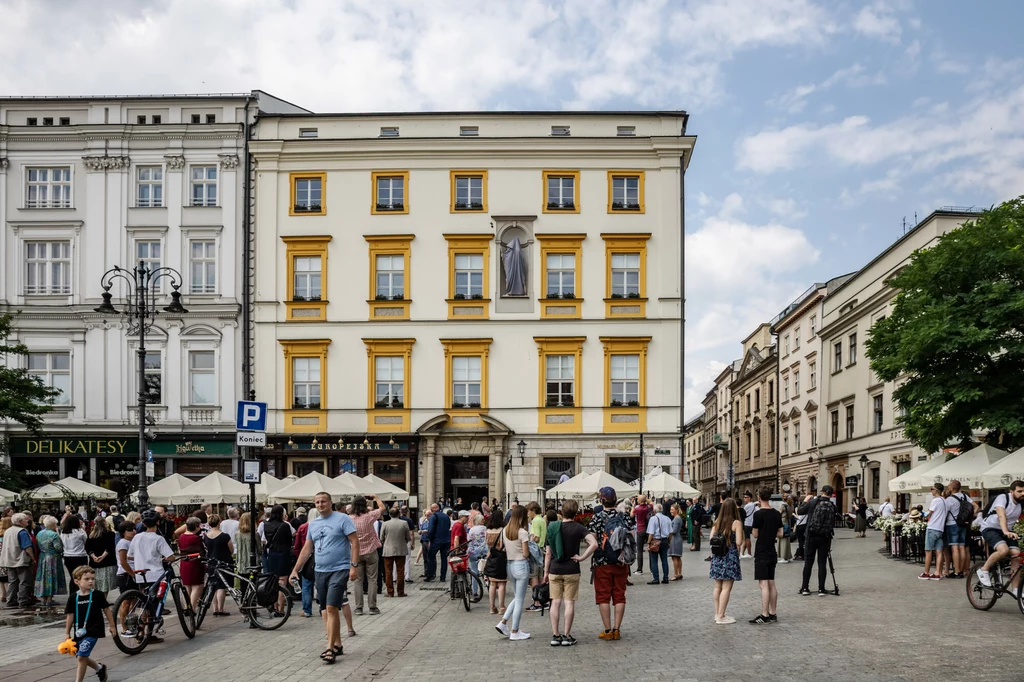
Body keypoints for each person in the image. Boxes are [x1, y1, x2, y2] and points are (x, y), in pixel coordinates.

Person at [290, 491, 359, 665]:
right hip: (320, 570)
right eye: (317, 502)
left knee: (331, 607)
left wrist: (354, 565)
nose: (320, 504)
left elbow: (355, 542)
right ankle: (337, 644)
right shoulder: (313, 524)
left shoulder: (342, 519)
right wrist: (295, 569)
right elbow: (307, 549)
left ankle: (329, 648)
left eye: (323, 501)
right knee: (323, 609)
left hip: (340, 569)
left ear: (330, 502)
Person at [544, 499, 597, 647]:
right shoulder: (578, 528)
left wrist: (546, 572)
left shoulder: (553, 528)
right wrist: (581, 557)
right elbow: (594, 544)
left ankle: (555, 635)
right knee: (569, 602)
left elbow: (548, 554)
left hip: (555, 569)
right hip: (572, 570)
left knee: (555, 602)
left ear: (562, 511)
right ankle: (567, 636)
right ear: (575, 512)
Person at [589, 486, 635, 640]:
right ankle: (617, 629)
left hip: (602, 562)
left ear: (602, 500)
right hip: (621, 561)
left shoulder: (597, 517)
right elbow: (631, 538)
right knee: (619, 595)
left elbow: (591, 539)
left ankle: (607, 630)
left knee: (603, 596)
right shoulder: (624, 516)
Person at [64, 565, 114, 682]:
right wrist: (67, 633)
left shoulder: (98, 595)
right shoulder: (73, 598)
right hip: (79, 632)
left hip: (93, 630)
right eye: (87, 579)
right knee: (82, 656)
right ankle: (100, 668)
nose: (91, 581)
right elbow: (70, 615)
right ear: (77, 581)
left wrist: (112, 626)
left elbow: (107, 610)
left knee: (81, 657)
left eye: (92, 578)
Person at [976, 480, 1024, 588]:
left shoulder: (1022, 503)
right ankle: (984, 570)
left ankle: (1016, 589)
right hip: (990, 528)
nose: (1022, 494)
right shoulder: (1003, 498)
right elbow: (1001, 515)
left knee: (1017, 556)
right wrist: (1006, 531)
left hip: (1007, 531)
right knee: (1003, 550)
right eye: (1019, 491)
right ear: (1011, 492)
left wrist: (1007, 531)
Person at [495, 504, 531, 641]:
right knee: (520, 600)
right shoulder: (522, 532)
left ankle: (503, 623)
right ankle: (515, 631)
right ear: (522, 516)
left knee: (517, 597)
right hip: (521, 565)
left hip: (509, 565)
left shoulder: (505, 530)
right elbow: (526, 553)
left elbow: (502, 547)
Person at [750, 487, 783, 624]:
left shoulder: (758, 515)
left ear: (759, 497)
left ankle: (764, 615)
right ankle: (773, 613)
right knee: (771, 582)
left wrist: (763, 532)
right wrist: (771, 533)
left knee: (763, 584)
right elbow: (781, 533)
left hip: (762, 550)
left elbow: (755, 534)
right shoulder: (776, 513)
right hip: (772, 550)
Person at [350, 494, 385, 615]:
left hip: (356, 553)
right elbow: (382, 508)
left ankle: (359, 607)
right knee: (372, 580)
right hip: (370, 551)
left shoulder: (350, 519)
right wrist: (375, 497)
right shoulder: (369, 516)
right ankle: (372, 607)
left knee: (358, 581)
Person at [798, 485, 836, 596]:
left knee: (808, 562)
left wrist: (805, 501)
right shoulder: (832, 505)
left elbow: (800, 511)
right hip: (825, 537)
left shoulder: (813, 503)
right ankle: (821, 589)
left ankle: (805, 588)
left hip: (811, 535)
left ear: (822, 492)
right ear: (830, 494)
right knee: (822, 563)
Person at [709, 498, 743, 624]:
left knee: (717, 586)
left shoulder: (716, 522)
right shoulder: (736, 523)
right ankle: (721, 616)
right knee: (726, 588)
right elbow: (739, 542)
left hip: (717, 557)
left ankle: (717, 613)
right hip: (730, 557)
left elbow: (711, 539)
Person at [262, 504, 294, 614]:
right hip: (283, 554)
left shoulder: (266, 524)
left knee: (273, 580)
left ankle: (274, 605)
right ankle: (281, 608)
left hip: (271, 554)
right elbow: (289, 541)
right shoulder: (284, 525)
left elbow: (265, 538)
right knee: (282, 580)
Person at [2, 513, 36, 611]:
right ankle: (24, 600)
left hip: (9, 560)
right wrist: (32, 558)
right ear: (20, 521)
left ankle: (11, 601)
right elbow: (27, 547)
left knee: (12, 581)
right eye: (25, 519)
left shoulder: (8, 531)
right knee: (24, 581)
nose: (27, 521)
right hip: (20, 560)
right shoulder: (22, 531)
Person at [204, 514, 234, 616]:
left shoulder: (206, 536)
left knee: (213, 585)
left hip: (211, 562)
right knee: (221, 586)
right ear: (219, 523)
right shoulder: (224, 536)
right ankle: (221, 609)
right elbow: (231, 549)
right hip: (223, 562)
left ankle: (215, 608)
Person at [944, 480, 973, 579]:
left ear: (952, 488)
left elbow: (945, 513)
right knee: (962, 547)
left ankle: (957, 571)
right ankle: (962, 570)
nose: (948, 487)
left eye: (949, 486)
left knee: (954, 548)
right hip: (963, 524)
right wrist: (969, 519)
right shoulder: (965, 496)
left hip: (952, 524)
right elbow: (975, 506)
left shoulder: (949, 500)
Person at [380, 507, 412, 598]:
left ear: (389, 515)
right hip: (401, 549)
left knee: (388, 572)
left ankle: (390, 592)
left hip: (388, 549)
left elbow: (381, 537)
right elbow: (408, 537)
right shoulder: (404, 523)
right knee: (400, 571)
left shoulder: (385, 524)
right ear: (399, 514)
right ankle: (400, 591)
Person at [919, 483, 948, 581]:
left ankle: (926, 572)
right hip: (940, 528)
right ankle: (937, 573)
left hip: (933, 527)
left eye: (932, 489)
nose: (931, 490)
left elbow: (929, 513)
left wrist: (925, 516)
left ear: (936, 490)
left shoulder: (935, 500)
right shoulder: (944, 501)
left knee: (928, 551)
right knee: (939, 552)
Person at [36, 515, 65, 609]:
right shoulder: (54, 534)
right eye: (56, 524)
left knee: (43, 577)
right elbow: (59, 548)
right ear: (52, 524)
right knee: (51, 577)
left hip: (42, 557)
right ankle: (49, 598)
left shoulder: (39, 533)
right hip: (52, 558)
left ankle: (43, 598)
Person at [178, 518, 206, 608]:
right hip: (195, 563)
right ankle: (192, 608)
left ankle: (186, 606)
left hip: (184, 562)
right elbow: (201, 551)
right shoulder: (196, 538)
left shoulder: (181, 536)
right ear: (196, 527)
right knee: (196, 586)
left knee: (187, 586)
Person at [85, 519, 117, 598]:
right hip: (108, 562)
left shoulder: (91, 535)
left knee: (96, 584)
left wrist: (94, 556)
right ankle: (103, 601)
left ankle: (97, 600)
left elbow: (87, 547)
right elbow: (110, 547)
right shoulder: (110, 534)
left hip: (94, 563)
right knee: (105, 585)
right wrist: (103, 556)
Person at [484, 509, 508, 614]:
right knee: (502, 583)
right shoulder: (502, 530)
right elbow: (504, 546)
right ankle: (501, 607)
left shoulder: (487, 531)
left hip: (491, 557)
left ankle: (491, 607)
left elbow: (487, 546)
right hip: (501, 558)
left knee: (492, 583)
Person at [526, 501, 546, 611]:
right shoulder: (542, 519)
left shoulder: (535, 521)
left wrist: (530, 538)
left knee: (534, 577)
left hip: (535, 550)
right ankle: (543, 600)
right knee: (540, 576)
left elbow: (536, 538)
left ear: (533, 510)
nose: (528, 513)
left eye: (528, 511)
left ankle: (537, 602)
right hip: (541, 549)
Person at [424, 502, 451, 583]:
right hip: (446, 540)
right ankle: (443, 577)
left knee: (430, 557)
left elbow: (431, 529)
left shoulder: (433, 516)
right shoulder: (446, 516)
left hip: (436, 540)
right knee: (444, 559)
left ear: (432, 510)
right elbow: (449, 526)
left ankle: (430, 575)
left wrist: (430, 539)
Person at [645, 503, 672, 585]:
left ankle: (656, 578)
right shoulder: (667, 518)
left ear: (654, 510)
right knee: (664, 560)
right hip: (665, 540)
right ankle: (666, 578)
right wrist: (669, 542)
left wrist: (648, 543)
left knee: (654, 560)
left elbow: (651, 533)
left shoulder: (653, 519)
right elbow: (671, 532)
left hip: (655, 541)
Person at [630, 495, 651, 574]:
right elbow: (651, 502)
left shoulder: (637, 509)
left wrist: (633, 505)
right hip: (648, 529)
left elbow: (631, 514)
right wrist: (645, 499)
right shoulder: (649, 507)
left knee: (639, 550)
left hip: (640, 529)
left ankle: (639, 569)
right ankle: (652, 569)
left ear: (639, 501)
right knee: (650, 549)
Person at [115, 522, 136, 595]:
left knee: (134, 599)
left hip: (132, 573)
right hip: (126, 575)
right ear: (123, 532)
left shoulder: (132, 541)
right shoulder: (123, 543)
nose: (133, 531)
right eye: (130, 530)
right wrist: (133, 575)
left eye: (134, 529)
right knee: (126, 602)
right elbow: (123, 561)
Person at [668, 503, 685, 580]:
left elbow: (674, 531)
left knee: (675, 557)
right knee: (678, 557)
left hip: (675, 539)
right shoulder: (678, 518)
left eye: (672, 509)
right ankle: (679, 573)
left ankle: (676, 574)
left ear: (676, 510)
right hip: (677, 538)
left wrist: (668, 530)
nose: (670, 511)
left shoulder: (676, 518)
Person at [741, 491, 756, 558]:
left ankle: (749, 553)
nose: (744, 499)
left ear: (749, 498)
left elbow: (743, 514)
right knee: (748, 538)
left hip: (747, 524)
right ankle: (743, 553)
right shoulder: (753, 505)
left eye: (745, 497)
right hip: (752, 523)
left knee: (747, 539)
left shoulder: (747, 506)